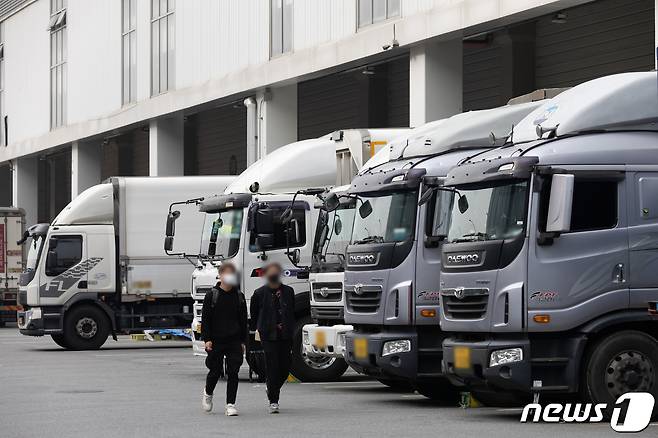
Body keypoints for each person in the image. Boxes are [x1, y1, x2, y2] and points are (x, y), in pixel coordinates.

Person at [201, 262, 247, 417]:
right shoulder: (212, 295)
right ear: (220, 276)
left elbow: (243, 321)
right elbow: (205, 319)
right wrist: (207, 339)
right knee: (215, 371)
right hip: (216, 340)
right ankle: (208, 393)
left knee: (234, 372)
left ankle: (230, 404)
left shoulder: (239, 296)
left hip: (234, 339)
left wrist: (243, 341)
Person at [250, 262, 295, 414]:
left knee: (285, 366)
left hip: (286, 335)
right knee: (272, 366)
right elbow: (254, 313)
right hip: (268, 334)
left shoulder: (288, 291)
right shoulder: (259, 293)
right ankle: (273, 400)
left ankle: (271, 388)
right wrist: (259, 328)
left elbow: (292, 312)